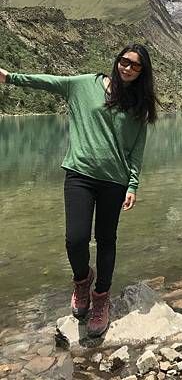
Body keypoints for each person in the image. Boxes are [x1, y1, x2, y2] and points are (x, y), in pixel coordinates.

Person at [0, 44, 158, 337]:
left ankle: (101, 298)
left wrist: (133, 184)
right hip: (80, 175)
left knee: (106, 240)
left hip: (114, 181)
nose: (127, 68)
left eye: (136, 66)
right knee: (75, 240)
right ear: (117, 60)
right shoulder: (85, 84)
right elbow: (48, 81)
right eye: (124, 61)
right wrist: (10, 77)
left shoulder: (139, 106)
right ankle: (82, 281)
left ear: (142, 72)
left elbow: (137, 150)